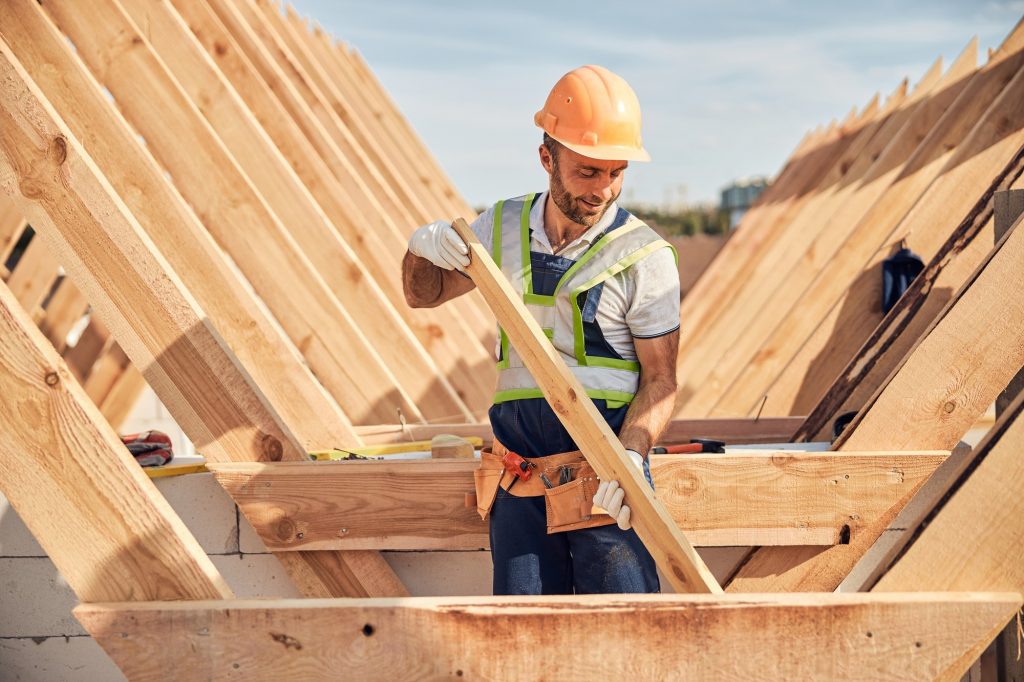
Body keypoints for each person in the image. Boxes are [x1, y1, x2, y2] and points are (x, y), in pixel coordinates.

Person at [401, 65, 680, 595]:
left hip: (607, 482)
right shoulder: (499, 228)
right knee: (523, 642)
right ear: (547, 158)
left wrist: (633, 456)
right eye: (587, 172)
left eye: (616, 172)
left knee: (623, 645)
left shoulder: (645, 256)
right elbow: (423, 295)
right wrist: (420, 248)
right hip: (521, 480)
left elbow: (661, 381)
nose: (604, 190)